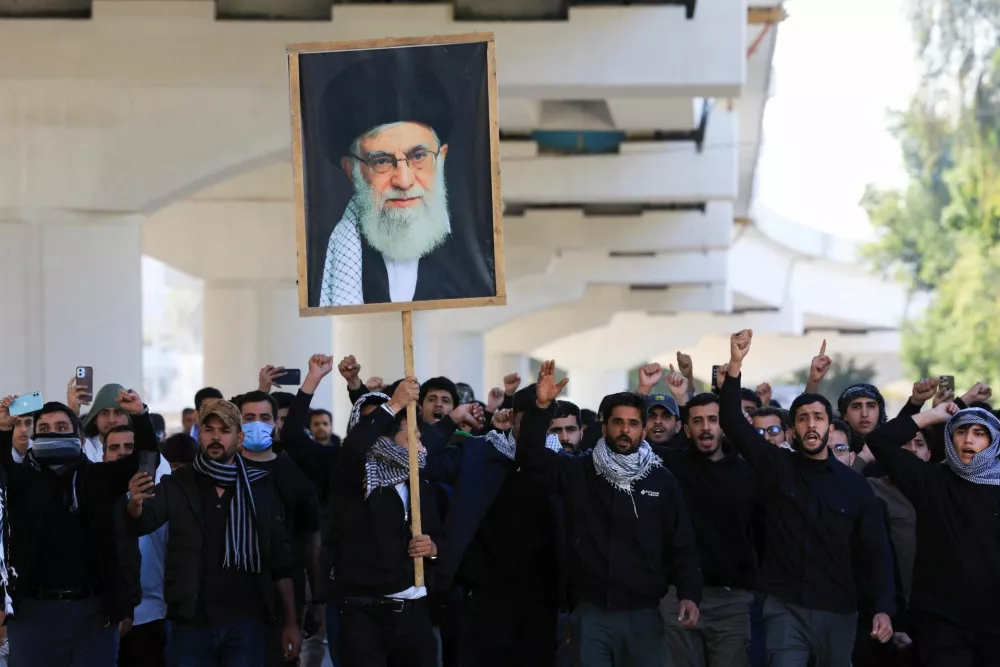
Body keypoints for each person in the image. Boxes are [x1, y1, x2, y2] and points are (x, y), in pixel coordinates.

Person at [721, 330, 895, 667]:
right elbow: (731, 421)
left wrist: (884, 609)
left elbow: (877, 553)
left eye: (819, 418)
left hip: (839, 611)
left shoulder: (855, 486)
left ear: (831, 429)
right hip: (785, 608)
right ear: (792, 430)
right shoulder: (776, 466)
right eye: (803, 419)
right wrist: (735, 364)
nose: (811, 425)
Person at [516, 361, 702, 667]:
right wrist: (540, 408)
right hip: (591, 613)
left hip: (644, 613)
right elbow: (531, 459)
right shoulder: (579, 470)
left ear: (643, 430)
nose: (624, 430)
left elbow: (681, 541)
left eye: (632, 423)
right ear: (604, 428)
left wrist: (689, 594)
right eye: (617, 422)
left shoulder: (661, 479)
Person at [123, 398, 301, 667]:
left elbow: (280, 558)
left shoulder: (259, 486)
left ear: (239, 438)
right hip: (191, 623)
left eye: (224, 430)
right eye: (209, 429)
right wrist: (135, 504)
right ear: (199, 434)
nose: (215, 437)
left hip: (246, 621)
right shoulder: (178, 483)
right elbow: (143, 522)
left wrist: (290, 621)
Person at [317, 55, 493, 306]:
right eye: (381, 161)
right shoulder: (321, 261)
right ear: (351, 169)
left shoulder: (476, 254)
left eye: (418, 156)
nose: (404, 180)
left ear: (441, 158)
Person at [0, 390, 156, 666]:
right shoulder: (21, 481)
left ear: (79, 435)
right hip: (32, 613)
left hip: (93, 616)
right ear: (33, 436)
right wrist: (2, 429)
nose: (53, 434)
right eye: (44, 429)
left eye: (62, 427)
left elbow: (145, 459)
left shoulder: (99, 478)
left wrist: (139, 415)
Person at [865, 403, 1000, 667]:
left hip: (993, 620)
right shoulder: (930, 480)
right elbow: (880, 440)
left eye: (978, 433)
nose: (968, 440)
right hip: (940, 620)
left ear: (993, 440)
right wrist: (934, 415)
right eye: (960, 431)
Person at [330, 377, 443, 666]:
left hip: (412, 609)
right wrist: (394, 403)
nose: (420, 443)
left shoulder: (421, 481)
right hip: (363, 611)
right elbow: (355, 446)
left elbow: (439, 534)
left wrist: (432, 548)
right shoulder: (357, 476)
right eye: (412, 435)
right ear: (385, 439)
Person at [658, 392, 760, 667]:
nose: (706, 427)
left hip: (732, 600)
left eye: (713, 419)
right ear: (686, 428)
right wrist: (642, 391)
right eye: (698, 421)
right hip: (678, 596)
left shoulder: (750, 471)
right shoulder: (669, 466)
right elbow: (614, 447)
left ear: (723, 425)